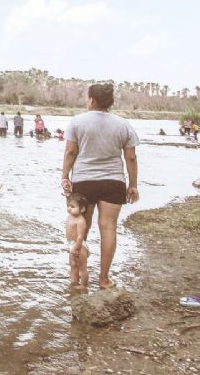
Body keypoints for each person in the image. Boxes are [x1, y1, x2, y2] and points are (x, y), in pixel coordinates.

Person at [61, 82, 139, 290]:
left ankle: (77, 279)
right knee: (108, 228)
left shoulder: (77, 122)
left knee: (80, 231)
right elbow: (130, 158)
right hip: (113, 182)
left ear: (92, 100)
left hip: (84, 181)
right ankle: (103, 280)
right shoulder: (123, 124)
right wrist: (133, 185)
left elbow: (70, 152)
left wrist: (64, 175)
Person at [65, 192, 89, 289]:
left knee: (82, 266)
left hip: (79, 246)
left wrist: (76, 248)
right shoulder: (70, 217)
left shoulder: (80, 221)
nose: (69, 208)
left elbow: (80, 236)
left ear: (82, 209)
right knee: (73, 264)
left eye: (72, 206)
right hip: (72, 244)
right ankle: (74, 282)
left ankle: (84, 285)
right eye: (68, 206)